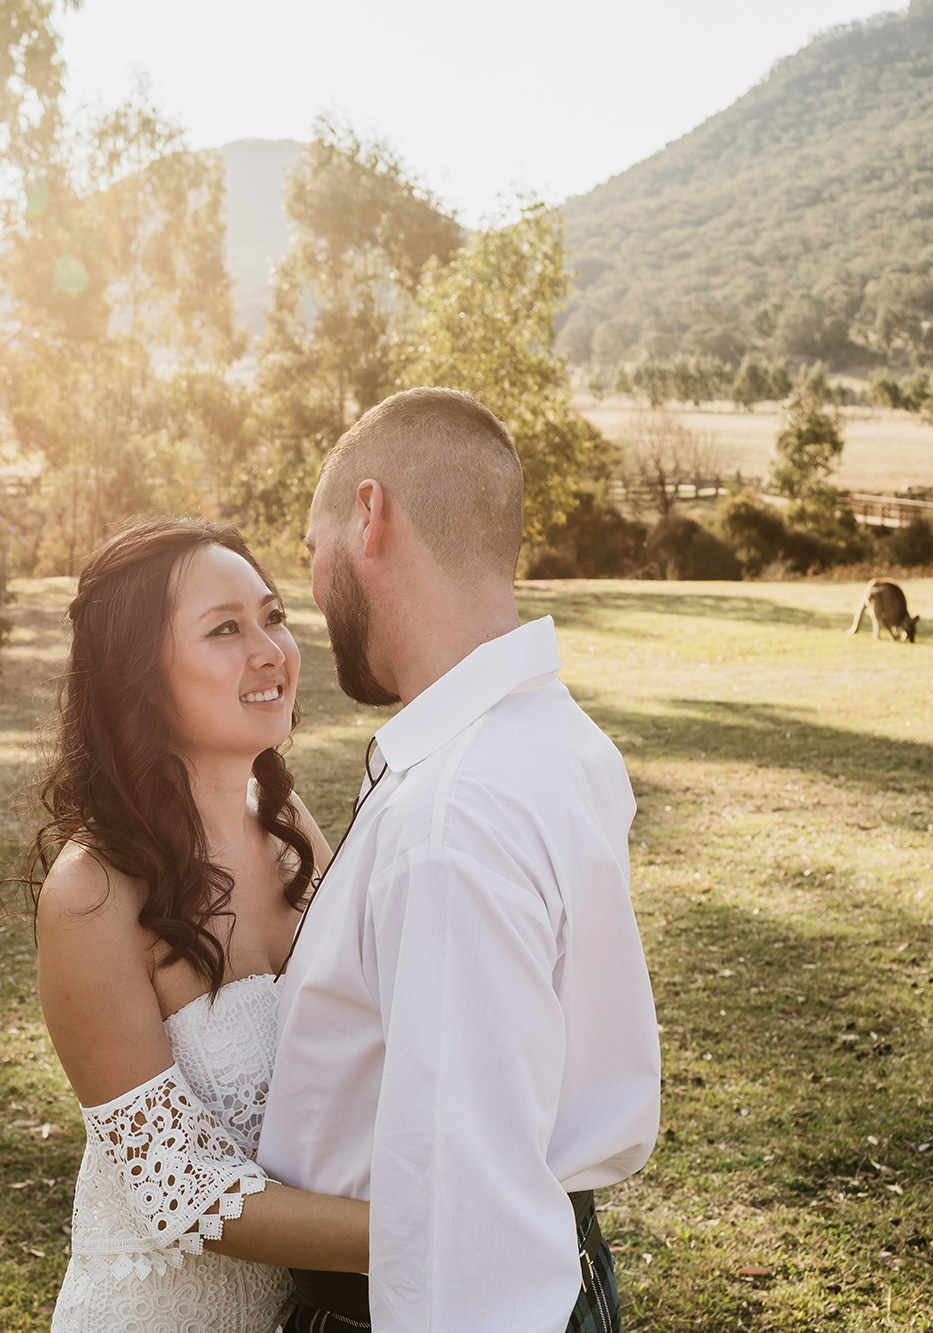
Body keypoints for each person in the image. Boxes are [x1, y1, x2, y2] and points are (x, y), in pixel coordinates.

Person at [257, 387, 663, 1333]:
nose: (313, 595)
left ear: (369, 516)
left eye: (312, 553)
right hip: (558, 1261)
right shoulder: (557, 739)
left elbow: (458, 1206)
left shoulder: (454, 811)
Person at [26, 518, 369, 1333]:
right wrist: (427, 1230)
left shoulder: (289, 825)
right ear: (139, 675)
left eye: (274, 616)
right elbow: (178, 1184)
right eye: (225, 628)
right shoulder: (93, 896)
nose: (271, 651)